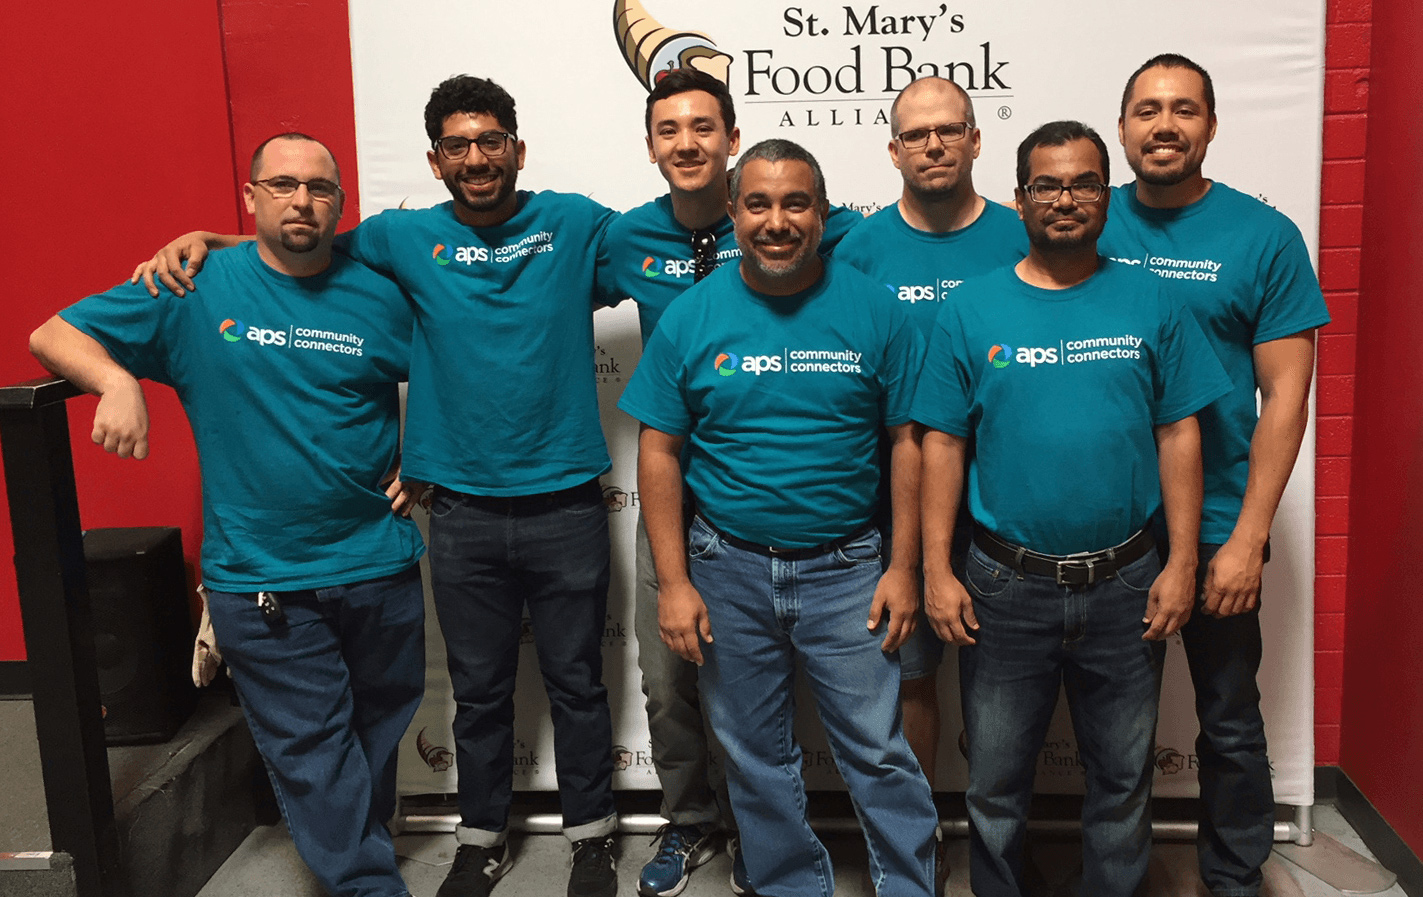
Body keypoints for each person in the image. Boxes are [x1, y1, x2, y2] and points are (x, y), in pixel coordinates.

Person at [130, 75, 624, 897]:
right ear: (435, 161)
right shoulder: (398, 238)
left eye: (491, 141)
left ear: (517, 149)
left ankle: (593, 838)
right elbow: (299, 247)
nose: (477, 158)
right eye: (458, 146)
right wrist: (210, 239)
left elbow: (671, 253)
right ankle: (480, 837)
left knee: (577, 680)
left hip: (566, 499)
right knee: (480, 690)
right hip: (459, 511)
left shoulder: (573, 222)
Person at [30, 133, 426, 897]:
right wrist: (116, 380)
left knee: (375, 739)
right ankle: (370, 887)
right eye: (282, 185)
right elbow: (52, 334)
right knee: (313, 753)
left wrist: (427, 458)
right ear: (251, 196)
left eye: (319, 189)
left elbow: (455, 370)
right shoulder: (194, 288)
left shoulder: (378, 291)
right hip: (262, 576)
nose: (301, 200)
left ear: (340, 204)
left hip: (378, 562)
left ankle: (358, 857)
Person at [912, 120, 1231, 897]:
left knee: (1121, 785)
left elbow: (1179, 432)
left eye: (1083, 183)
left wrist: (1183, 561)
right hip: (1001, 586)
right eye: (1047, 185)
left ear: (1104, 195)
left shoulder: (1148, 298)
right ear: (1018, 198)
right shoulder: (968, 309)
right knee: (991, 789)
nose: (1065, 200)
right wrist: (934, 570)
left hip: (1127, 583)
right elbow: (941, 447)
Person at [618, 139, 937, 897]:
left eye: (795, 202)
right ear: (731, 214)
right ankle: (789, 884)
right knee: (754, 755)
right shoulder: (694, 315)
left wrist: (902, 566)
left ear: (823, 216)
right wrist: (673, 581)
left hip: (849, 570)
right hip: (726, 568)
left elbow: (907, 445)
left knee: (879, 752)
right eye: (757, 203)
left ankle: (911, 886)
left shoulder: (876, 310)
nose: (776, 220)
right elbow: (659, 452)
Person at [592, 67, 862, 897]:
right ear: (649, 145)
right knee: (670, 678)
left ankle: (764, 834)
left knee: (771, 693)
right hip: (680, 496)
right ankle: (689, 819)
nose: (686, 143)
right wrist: (235, 243)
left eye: (703, 127)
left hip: (787, 494)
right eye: (668, 129)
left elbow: (936, 244)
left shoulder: (831, 229)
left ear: (732, 139)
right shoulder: (622, 238)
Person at [1101, 53, 1331, 897]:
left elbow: (1285, 395)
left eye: (1184, 109)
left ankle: (1234, 877)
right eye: (1147, 109)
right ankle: (1113, 876)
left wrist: (1246, 537)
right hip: (1109, 532)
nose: (1165, 125)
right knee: (1111, 731)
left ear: (1210, 125)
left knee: (1228, 719)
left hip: (1219, 520)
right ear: (1121, 125)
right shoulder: (1083, 220)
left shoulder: (1260, 236)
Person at [830, 78, 1026, 872]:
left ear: (977, 140)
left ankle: (998, 853)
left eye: (950, 130)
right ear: (893, 150)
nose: (934, 145)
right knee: (910, 688)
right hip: (888, 512)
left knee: (1000, 705)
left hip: (1006, 509)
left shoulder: (1025, 237)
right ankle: (915, 847)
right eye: (916, 135)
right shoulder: (861, 251)